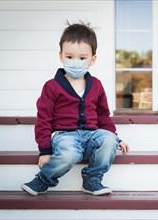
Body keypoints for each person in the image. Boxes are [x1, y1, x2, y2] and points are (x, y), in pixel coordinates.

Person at [21, 21, 130, 196]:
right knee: (69, 153)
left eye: (82, 58)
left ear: (92, 59)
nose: (75, 62)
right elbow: (44, 119)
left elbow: (103, 116)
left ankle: (92, 180)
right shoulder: (52, 86)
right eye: (69, 57)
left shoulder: (96, 85)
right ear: (61, 56)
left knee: (109, 139)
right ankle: (43, 180)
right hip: (65, 136)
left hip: (91, 136)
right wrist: (45, 151)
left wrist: (116, 138)